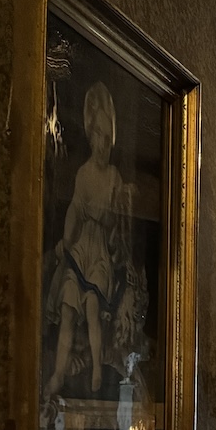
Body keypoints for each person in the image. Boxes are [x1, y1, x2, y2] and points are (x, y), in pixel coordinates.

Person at [43, 80, 134, 401]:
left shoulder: (113, 177)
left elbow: (116, 223)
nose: (102, 145)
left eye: (107, 139)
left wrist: (107, 216)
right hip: (81, 248)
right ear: (90, 137)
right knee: (69, 306)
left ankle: (96, 367)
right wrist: (67, 241)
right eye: (97, 137)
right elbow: (74, 210)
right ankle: (58, 372)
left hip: (100, 254)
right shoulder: (83, 174)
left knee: (93, 304)